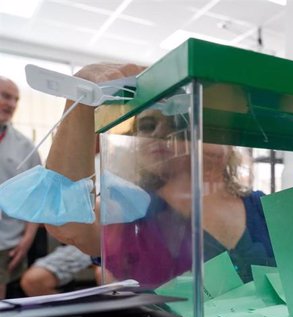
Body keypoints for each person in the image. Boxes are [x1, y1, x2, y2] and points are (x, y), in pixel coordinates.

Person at [43, 64, 273, 288]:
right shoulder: (131, 208)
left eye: (176, 123)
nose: (162, 134)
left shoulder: (262, 207)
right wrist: (82, 98)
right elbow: (69, 225)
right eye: (147, 125)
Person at [0, 76, 41, 299]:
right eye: (5, 96)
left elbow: (36, 198)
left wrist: (26, 241)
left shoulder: (25, 147)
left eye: (16, 99)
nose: (12, 104)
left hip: (6, 242)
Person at [19, 244, 94, 296]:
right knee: (33, 279)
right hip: (85, 243)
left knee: (102, 272)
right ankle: (67, 313)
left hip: (103, 241)